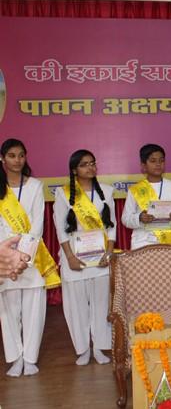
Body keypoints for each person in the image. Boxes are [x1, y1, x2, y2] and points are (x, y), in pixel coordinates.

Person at [0, 139, 60, 377]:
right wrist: (8, 253)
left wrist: (23, 254)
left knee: (34, 308)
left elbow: (37, 223)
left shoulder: (35, 185)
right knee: (8, 309)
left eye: (21, 155)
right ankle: (15, 357)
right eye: (12, 155)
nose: (17, 160)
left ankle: (31, 357)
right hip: (4, 257)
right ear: (3, 159)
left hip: (31, 256)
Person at [53, 149, 116, 366]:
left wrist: (109, 252)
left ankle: (99, 347)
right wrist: (69, 257)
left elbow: (112, 227)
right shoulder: (63, 194)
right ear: (74, 170)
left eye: (92, 163)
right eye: (84, 164)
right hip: (74, 258)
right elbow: (61, 229)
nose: (90, 167)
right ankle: (82, 349)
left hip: (100, 257)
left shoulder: (106, 192)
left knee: (101, 304)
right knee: (76, 306)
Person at [121, 144, 171, 249]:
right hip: (143, 242)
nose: (158, 164)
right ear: (143, 166)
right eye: (153, 161)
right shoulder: (135, 190)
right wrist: (140, 217)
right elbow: (126, 219)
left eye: (161, 161)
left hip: (169, 241)